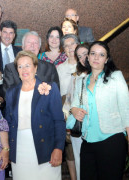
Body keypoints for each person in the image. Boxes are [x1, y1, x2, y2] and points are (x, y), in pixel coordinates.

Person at [67, 41, 129, 179]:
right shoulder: (81, 81)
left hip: (112, 139)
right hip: (87, 141)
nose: (96, 58)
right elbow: (73, 105)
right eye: (93, 54)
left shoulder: (115, 77)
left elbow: (126, 109)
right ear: (88, 57)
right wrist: (74, 110)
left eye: (101, 55)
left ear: (106, 59)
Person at [5, 50, 66, 180]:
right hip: (20, 149)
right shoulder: (11, 93)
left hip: (45, 148)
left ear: (35, 67)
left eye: (27, 65)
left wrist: (58, 148)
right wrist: (7, 149)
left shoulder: (50, 88)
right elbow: (8, 123)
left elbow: (59, 121)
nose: (24, 69)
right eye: (20, 66)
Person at [62, 43, 89, 180]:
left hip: (98, 128)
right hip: (79, 125)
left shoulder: (105, 75)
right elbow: (68, 102)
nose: (83, 58)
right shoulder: (76, 76)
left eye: (86, 53)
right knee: (80, 163)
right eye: (80, 56)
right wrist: (72, 112)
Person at [56, 34, 80, 180]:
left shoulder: (86, 64)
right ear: (63, 49)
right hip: (65, 110)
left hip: (84, 109)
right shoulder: (59, 68)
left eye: (73, 44)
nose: (70, 48)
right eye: (66, 45)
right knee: (70, 148)